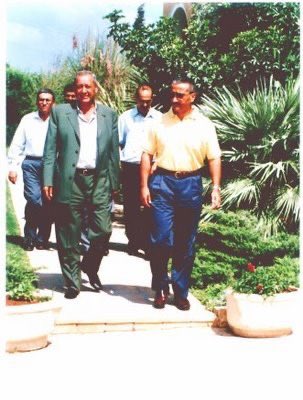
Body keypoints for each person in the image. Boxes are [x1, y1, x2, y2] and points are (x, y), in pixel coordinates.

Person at [140, 78, 222, 310]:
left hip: (191, 184)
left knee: (186, 242)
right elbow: (146, 155)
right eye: (172, 94)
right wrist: (144, 186)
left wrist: (216, 187)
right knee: (160, 239)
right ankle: (161, 287)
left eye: (180, 95)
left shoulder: (204, 124)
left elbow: (214, 157)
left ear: (192, 97)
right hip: (162, 183)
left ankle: (181, 290)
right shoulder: (158, 122)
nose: (174, 99)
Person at [43, 70, 120, 299]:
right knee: (68, 232)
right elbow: (50, 150)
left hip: (99, 180)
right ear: (74, 90)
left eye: (88, 87)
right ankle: (72, 282)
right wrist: (48, 179)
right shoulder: (60, 113)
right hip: (70, 180)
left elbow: (114, 152)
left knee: (103, 230)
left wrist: (115, 182)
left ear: (95, 88)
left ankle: (89, 266)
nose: (84, 91)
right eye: (79, 87)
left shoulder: (109, 115)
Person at [7, 88, 56, 251]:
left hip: (52, 165)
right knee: (34, 200)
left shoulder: (58, 120)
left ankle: (42, 238)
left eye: (47, 100)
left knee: (48, 201)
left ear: (53, 102)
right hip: (31, 164)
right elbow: (17, 144)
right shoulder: (27, 119)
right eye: (41, 99)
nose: (44, 102)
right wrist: (13, 167)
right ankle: (29, 237)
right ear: (37, 101)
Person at [119, 84, 162, 258]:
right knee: (131, 207)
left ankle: (147, 242)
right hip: (130, 166)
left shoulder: (159, 118)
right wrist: (119, 162)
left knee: (149, 205)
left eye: (148, 101)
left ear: (152, 99)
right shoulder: (125, 118)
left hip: (152, 167)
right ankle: (133, 241)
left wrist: (157, 161)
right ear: (136, 99)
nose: (145, 105)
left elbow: (163, 144)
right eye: (141, 101)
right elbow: (118, 142)